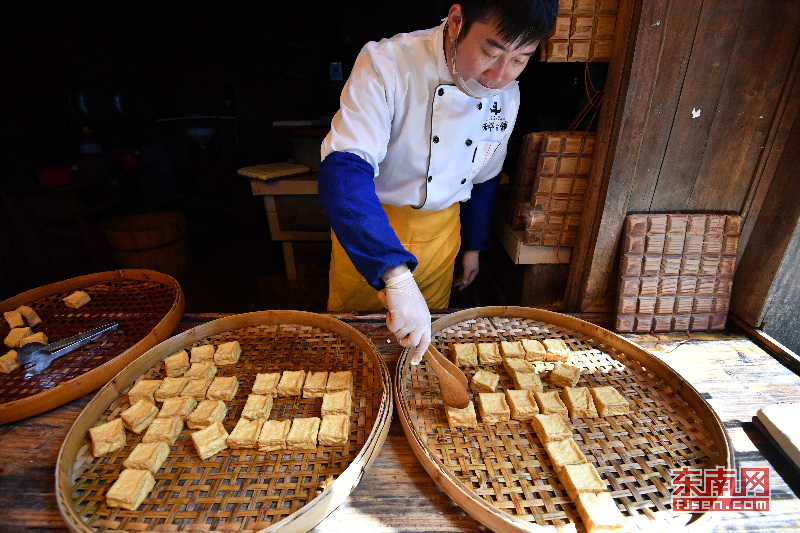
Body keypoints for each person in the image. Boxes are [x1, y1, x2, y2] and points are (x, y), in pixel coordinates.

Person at [318, 1, 557, 364]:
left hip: (442, 236)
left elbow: (485, 178)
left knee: (422, 353)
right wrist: (394, 277)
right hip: (371, 230)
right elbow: (343, 171)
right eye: (489, 53)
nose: (498, 76)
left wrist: (474, 246)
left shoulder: (507, 95)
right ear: (457, 21)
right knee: (354, 346)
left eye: (520, 60)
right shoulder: (388, 64)